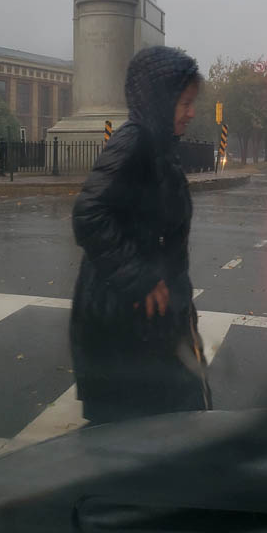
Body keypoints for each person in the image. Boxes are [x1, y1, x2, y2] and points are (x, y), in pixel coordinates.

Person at [70, 46, 212, 425]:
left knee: (172, 428)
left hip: (153, 322)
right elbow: (88, 213)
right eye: (184, 103)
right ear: (160, 100)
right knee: (135, 439)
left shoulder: (161, 147)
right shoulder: (135, 142)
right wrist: (142, 278)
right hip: (125, 325)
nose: (191, 113)